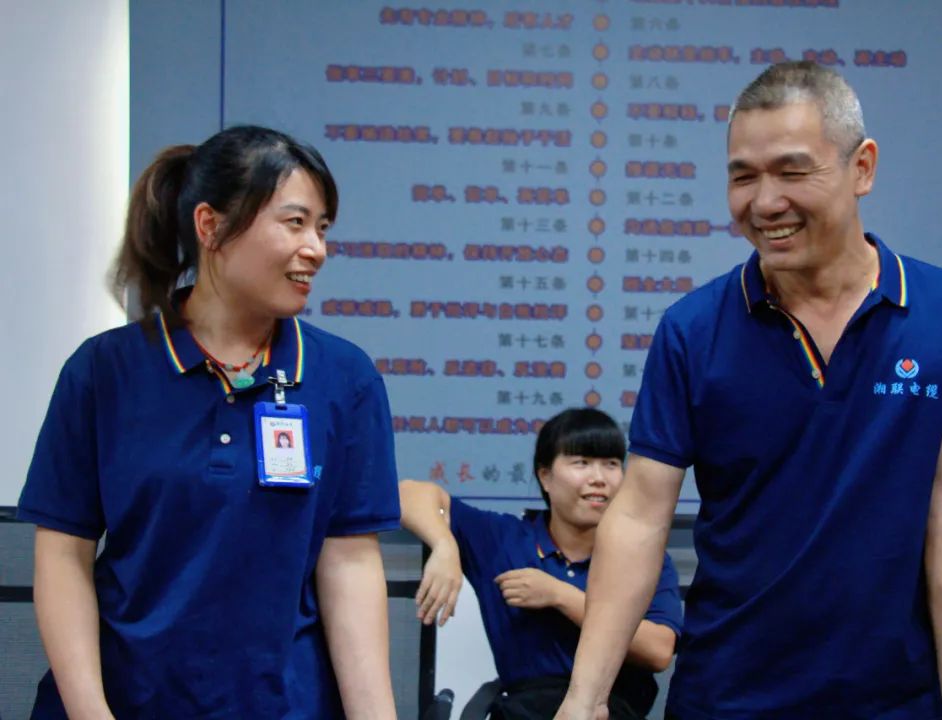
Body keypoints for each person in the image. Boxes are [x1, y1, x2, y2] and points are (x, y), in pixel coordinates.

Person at [555, 61, 942, 720]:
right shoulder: (692, 330)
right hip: (727, 696)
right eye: (743, 177)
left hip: (896, 701)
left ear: (862, 167)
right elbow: (641, 515)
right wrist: (584, 697)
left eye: (793, 172)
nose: (764, 203)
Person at [17, 126, 400, 718]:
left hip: (282, 704)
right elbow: (64, 555)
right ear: (210, 225)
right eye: (295, 223)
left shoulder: (344, 378)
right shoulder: (105, 370)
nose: (317, 249)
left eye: (322, 228)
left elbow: (349, 562)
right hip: (127, 700)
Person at [399, 408, 682, 719]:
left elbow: (659, 651)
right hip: (524, 710)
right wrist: (444, 546)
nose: (599, 479)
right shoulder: (504, 539)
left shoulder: (640, 555)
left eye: (611, 464)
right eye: (582, 463)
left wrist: (560, 596)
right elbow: (408, 493)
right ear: (545, 476)